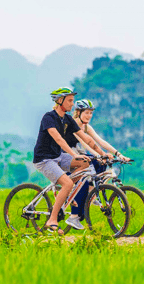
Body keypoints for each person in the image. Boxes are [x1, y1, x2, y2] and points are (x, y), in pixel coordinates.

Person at [33, 87, 105, 235]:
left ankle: (69, 193)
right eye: (70, 101)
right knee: (67, 182)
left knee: (86, 164)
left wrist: (104, 154)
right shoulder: (49, 117)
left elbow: (87, 139)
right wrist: (74, 154)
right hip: (44, 159)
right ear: (60, 101)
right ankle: (52, 220)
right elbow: (58, 139)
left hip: (58, 157)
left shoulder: (67, 119)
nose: (73, 104)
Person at [63, 99, 131, 220]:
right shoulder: (73, 124)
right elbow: (87, 144)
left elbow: (100, 141)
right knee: (91, 166)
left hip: (78, 153)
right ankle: (78, 208)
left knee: (102, 164)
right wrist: (99, 155)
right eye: (86, 113)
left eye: (91, 113)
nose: (89, 116)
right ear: (78, 112)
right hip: (66, 155)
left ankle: (92, 193)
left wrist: (118, 154)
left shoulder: (86, 127)